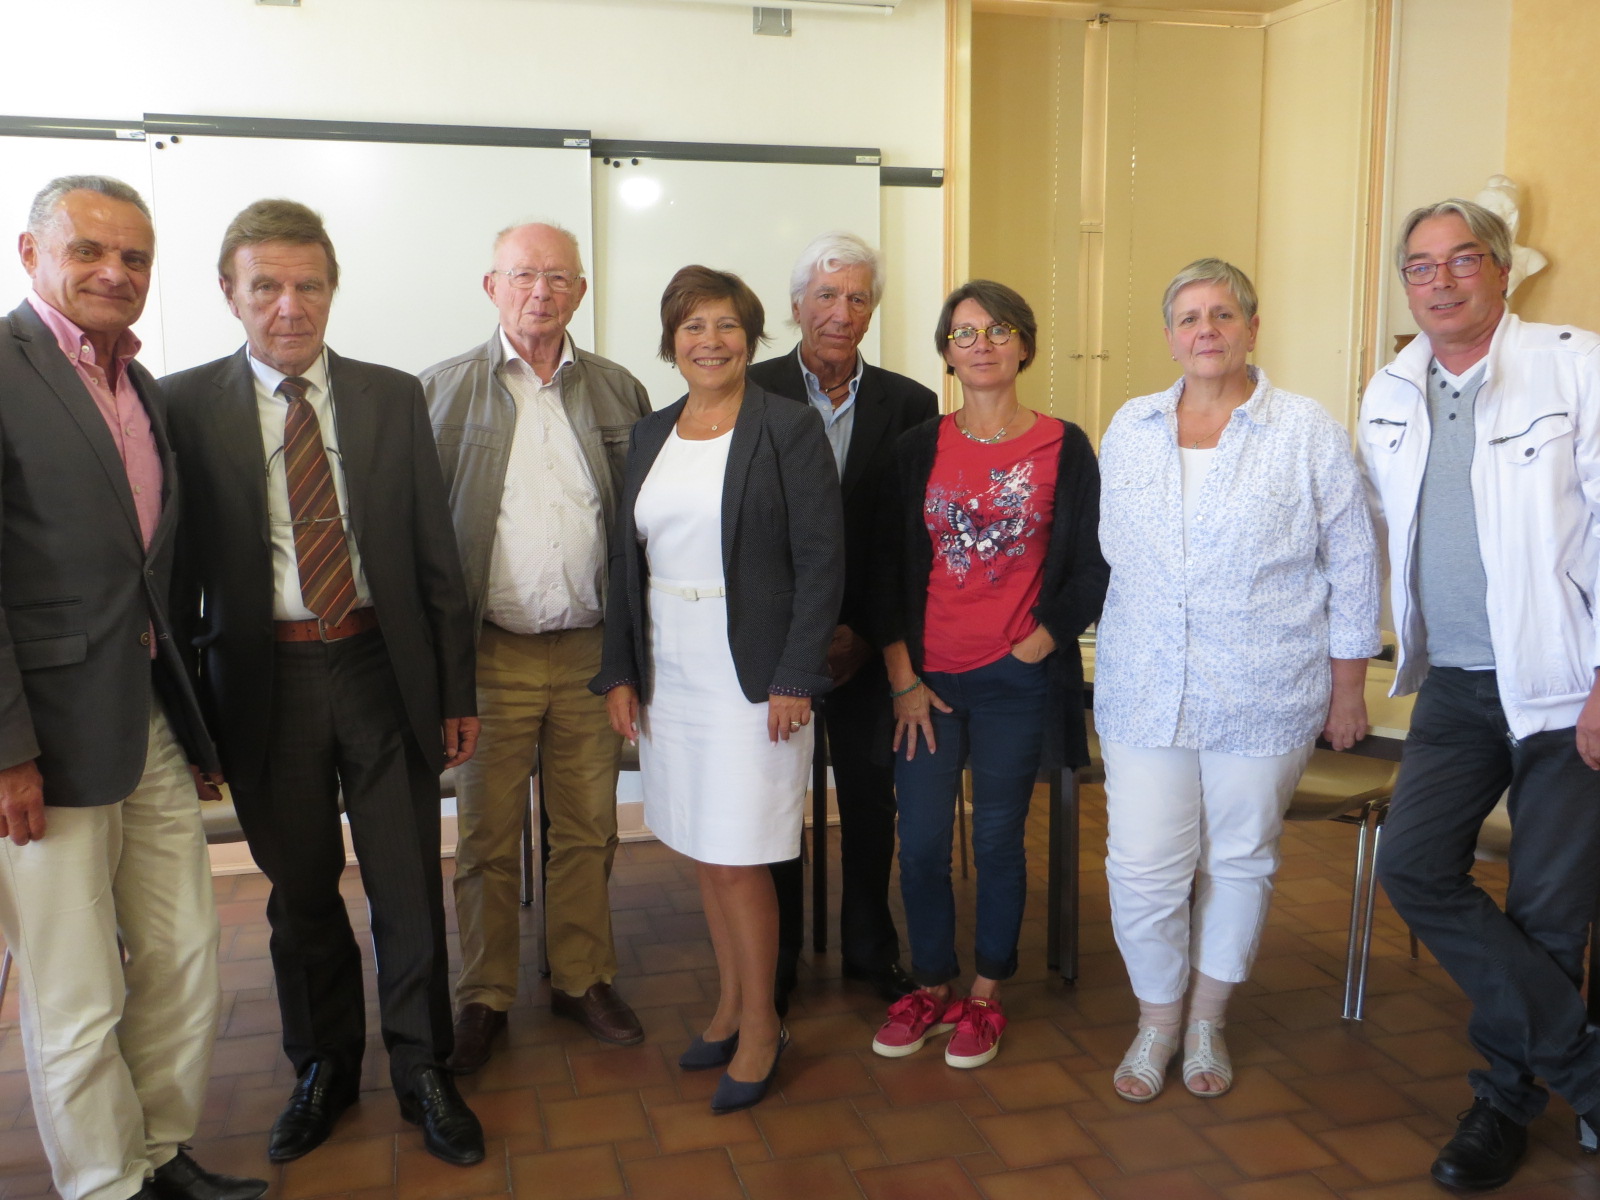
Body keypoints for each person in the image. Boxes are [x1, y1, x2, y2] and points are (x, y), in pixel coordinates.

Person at [163, 199, 485, 1168]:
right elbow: (174, 587)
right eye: (266, 286)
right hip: (264, 683)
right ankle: (324, 1067)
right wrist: (194, 725)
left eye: (308, 285)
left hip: (382, 667)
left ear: (333, 289)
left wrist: (455, 691)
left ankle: (424, 1067)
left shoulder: (391, 396)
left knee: (406, 885)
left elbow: (434, 553)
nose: (289, 306)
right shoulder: (183, 406)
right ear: (230, 293)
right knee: (300, 892)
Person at [0, 175, 265, 1200]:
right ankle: (105, 1185)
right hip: (45, 741)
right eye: (89, 250)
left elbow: (152, 575)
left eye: (135, 257)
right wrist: (8, 752)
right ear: (31, 254)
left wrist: (193, 727)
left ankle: (159, 1154)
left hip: (147, 718)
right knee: (75, 986)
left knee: (182, 952)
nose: (115, 272)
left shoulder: (140, 387)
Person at [1095, 259, 1379, 1103]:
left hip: (1266, 687)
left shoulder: (1306, 429)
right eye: (1188, 317)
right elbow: (1114, 555)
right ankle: (1157, 1020)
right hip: (1145, 685)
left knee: (1240, 858)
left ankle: (1208, 1019)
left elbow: (1354, 561)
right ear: (1169, 336)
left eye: (1223, 314)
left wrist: (1349, 687)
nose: (1206, 330)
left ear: (1253, 327)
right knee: (1142, 865)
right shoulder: (1131, 425)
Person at [1363, 200, 1600, 1191]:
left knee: (1547, 912)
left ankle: (1503, 1102)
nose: (1442, 281)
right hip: (1456, 685)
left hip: (1563, 688)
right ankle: (1585, 1073)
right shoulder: (1388, 389)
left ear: (1501, 271)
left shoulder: (1573, 365)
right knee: (1415, 867)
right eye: (1421, 266)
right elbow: (1377, 530)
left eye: (1463, 260)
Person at [591, 266, 843, 1114]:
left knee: (740, 856)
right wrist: (622, 671)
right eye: (693, 326)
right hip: (672, 666)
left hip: (756, 676)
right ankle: (732, 1005)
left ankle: (765, 1026)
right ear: (671, 341)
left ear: (752, 336)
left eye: (727, 324)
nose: (710, 340)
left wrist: (798, 673)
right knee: (704, 849)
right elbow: (624, 560)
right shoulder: (650, 432)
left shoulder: (788, 427)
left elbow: (822, 560)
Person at [421, 223, 651, 1065]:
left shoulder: (619, 391)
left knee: (587, 828)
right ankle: (483, 994)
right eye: (523, 276)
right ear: (492, 287)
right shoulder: (439, 392)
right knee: (485, 838)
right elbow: (417, 536)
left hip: (592, 655)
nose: (540, 292)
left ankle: (581, 977)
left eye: (558, 277)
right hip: (488, 655)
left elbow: (640, 528)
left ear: (580, 292)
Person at [871, 280, 1106, 1069]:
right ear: (946, 352)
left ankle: (984, 993)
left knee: (1001, 840)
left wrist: (1042, 642)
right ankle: (930, 983)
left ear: (1024, 345)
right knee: (921, 843)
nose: (982, 344)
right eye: (965, 332)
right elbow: (886, 572)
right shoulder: (917, 449)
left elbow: (1093, 563)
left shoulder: (1065, 446)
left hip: (1016, 681)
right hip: (928, 686)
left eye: (999, 330)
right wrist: (902, 677)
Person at [748, 232, 936, 1012]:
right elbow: (746, 532)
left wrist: (863, 632)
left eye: (857, 298)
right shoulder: (750, 391)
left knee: (868, 800)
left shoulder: (911, 404)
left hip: (866, 640)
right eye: (826, 295)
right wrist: (799, 632)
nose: (840, 312)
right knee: (775, 805)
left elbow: (905, 538)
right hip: (776, 645)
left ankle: (869, 945)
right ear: (797, 306)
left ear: (872, 311)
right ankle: (778, 955)